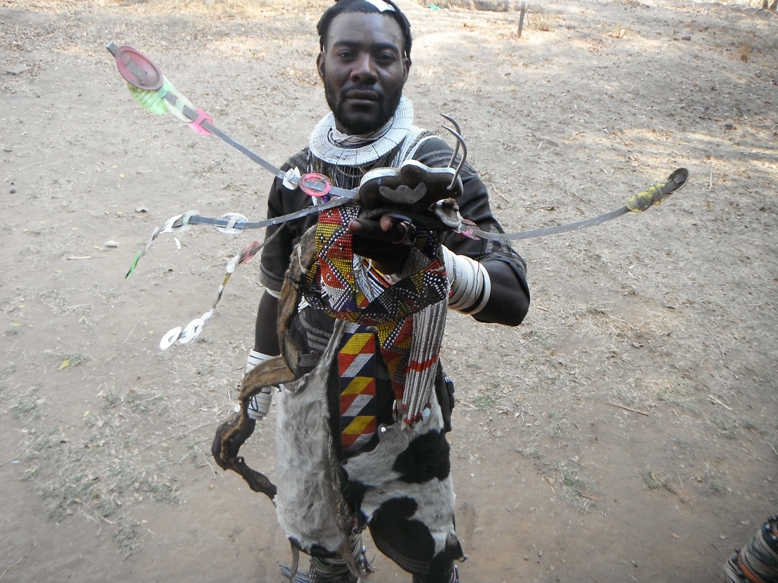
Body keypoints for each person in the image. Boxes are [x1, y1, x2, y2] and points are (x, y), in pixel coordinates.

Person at [226, 1, 530, 581]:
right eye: (347, 53)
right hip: (307, 396)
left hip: (401, 407)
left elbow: (513, 296)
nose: (364, 69)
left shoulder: (432, 171)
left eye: (383, 56)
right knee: (321, 538)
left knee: (426, 551)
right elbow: (276, 290)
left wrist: (429, 259)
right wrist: (259, 371)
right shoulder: (295, 179)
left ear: (405, 68)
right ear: (321, 64)